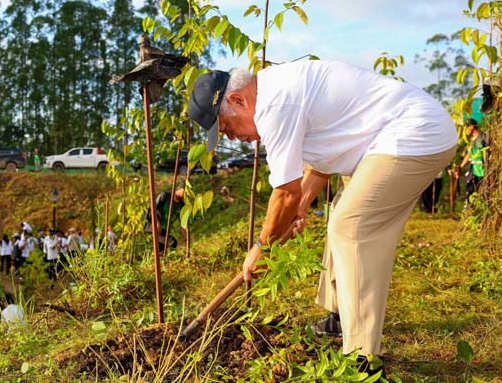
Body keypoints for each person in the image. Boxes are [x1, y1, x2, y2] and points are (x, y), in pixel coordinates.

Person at [188, 60, 457, 374]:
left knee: (351, 227)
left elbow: (284, 193)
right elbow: (323, 156)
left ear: (237, 100)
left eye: (226, 127)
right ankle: (342, 317)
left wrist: (262, 248)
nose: (232, 137)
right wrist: (302, 202)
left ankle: (362, 361)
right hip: (380, 139)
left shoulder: (275, 106)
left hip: (415, 132)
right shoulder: (275, 89)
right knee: (341, 217)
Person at [145, 182, 186, 251]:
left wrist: (186, 239)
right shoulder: (165, 196)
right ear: (179, 188)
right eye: (185, 191)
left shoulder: (181, 205)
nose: (186, 194)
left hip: (164, 231)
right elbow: (152, 209)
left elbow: (183, 223)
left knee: (162, 250)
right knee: (172, 242)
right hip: (153, 229)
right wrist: (157, 223)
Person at [458, 118, 488, 200]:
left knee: (484, 195)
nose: (465, 130)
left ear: (471, 126)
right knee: (470, 194)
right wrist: (460, 166)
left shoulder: (483, 137)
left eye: (466, 127)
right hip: (474, 171)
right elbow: (469, 154)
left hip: (483, 171)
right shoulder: (471, 141)